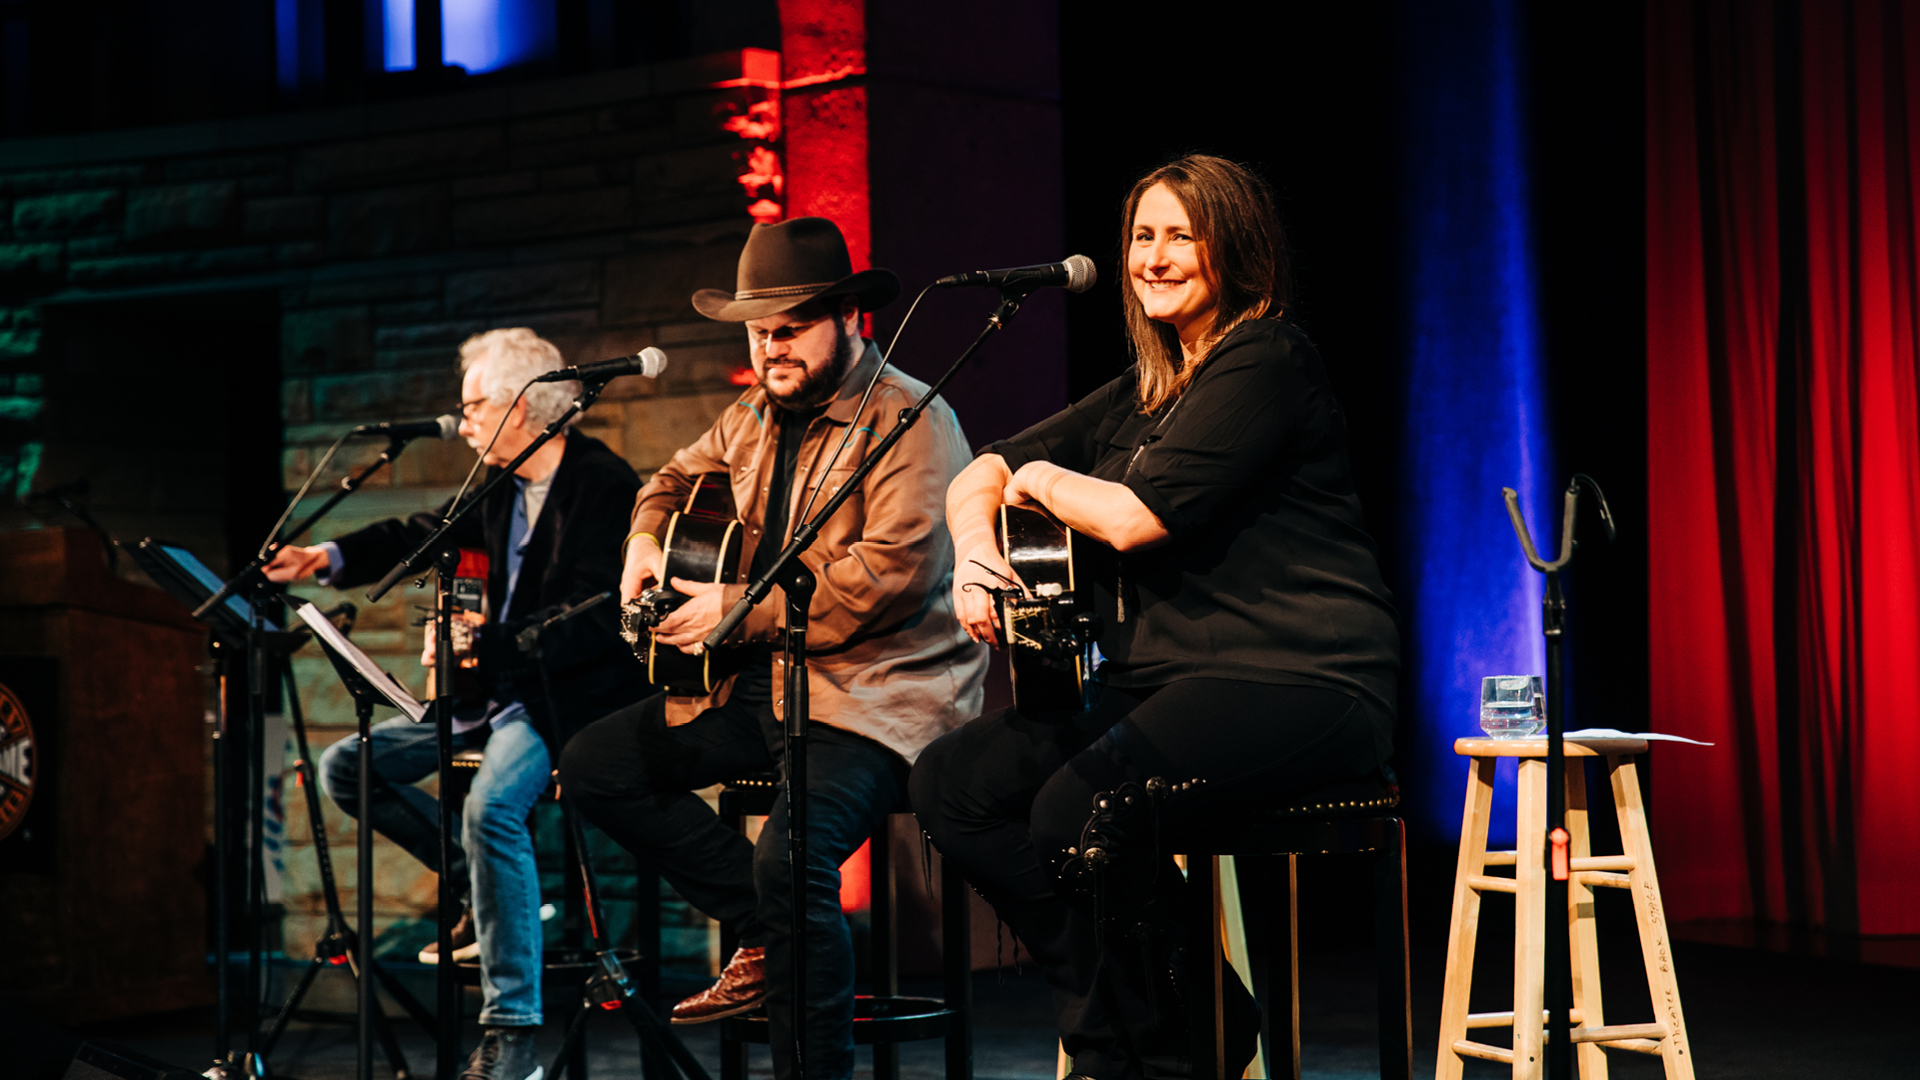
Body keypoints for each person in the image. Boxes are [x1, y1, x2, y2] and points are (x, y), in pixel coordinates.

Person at [909, 154, 1402, 1079]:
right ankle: (1138, 1035)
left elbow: (1135, 519)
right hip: (1168, 681)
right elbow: (979, 468)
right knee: (954, 785)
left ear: (1236, 251)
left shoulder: (1267, 356)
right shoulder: (1145, 385)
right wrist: (975, 554)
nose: (1156, 257)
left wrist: (1047, 480)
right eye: (1143, 236)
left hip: (1301, 676)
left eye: (1183, 235)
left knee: (1076, 809)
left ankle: (1180, 1045)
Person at [555, 217, 987, 1080]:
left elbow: (887, 576)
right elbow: (670, 480)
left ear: (849, 318)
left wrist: (737, 607)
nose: (770, 347)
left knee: (791, 857)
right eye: (758, 331)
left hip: (878, 697)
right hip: (767, 685)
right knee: (596, 763)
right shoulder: (751, 411)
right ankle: (764, 931)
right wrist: (645, 539)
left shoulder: (912, 419)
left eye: (788, 328)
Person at [266, 327, 647, 1080]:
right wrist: (327, 558)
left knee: (491, 809)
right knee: (350, 766)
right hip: (493, 692)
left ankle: (512, 1032)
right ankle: (476, 884)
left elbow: (591, 615)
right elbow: (422, 531)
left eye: (473, 405)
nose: (461, 419)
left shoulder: (602, 484)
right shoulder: (496, 484)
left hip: (557, 700)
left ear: (524, 408)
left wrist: (485, 642)